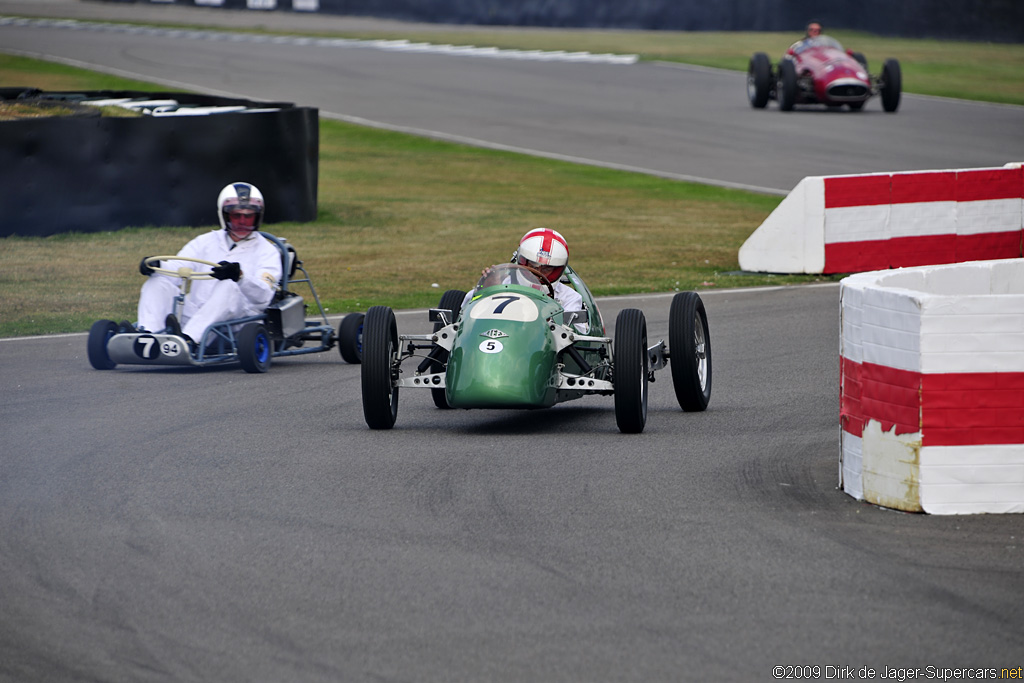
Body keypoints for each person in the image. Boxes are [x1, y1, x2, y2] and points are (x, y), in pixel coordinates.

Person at [132, 182, 283, 349]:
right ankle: (147, 336)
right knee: (157, 282)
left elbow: (264, 296)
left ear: (257, 217)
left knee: (229, 287)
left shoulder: (267, 251)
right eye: (236, 215)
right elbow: (178, 268)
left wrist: (239, 277)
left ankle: (189, 341)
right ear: (224, 216)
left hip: (238, 322)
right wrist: (156, 266)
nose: (242, 221)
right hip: (196, 314)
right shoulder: (205, 242)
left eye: (248, 216)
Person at [462, 227, 585, 327]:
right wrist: (486, 291)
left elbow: (575, 337)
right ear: (520, 261)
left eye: (547, 269)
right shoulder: (501, 283)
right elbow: (464, 315)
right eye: (532, 265)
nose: (538, 273)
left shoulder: (569, 298)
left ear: (558, 270)